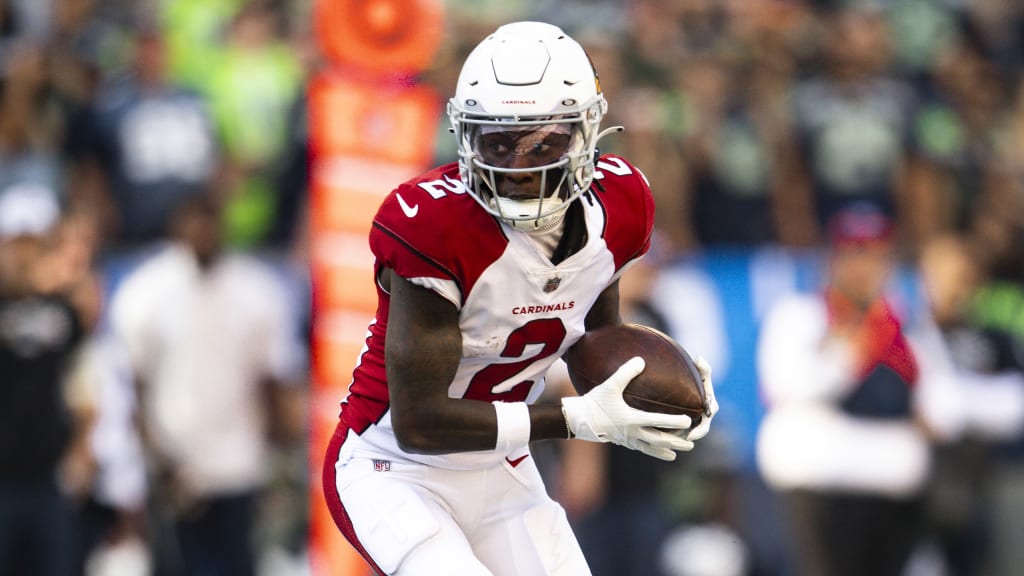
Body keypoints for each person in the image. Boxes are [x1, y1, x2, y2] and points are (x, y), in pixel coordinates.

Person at [322, 21, 718, 576]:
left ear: (586, 133)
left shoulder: (623, 205)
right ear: (466, 136)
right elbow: (420, 422)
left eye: (543, 143)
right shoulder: (432, 225)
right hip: (394, 466)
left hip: (502, 469)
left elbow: (593, 338)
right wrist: (579, 419)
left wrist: (653, 387)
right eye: (499, 142)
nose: (518, 167)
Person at [109, 195, 307, 576]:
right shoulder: (146, 292)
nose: (202, 230)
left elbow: (275, 380)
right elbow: (134, 385)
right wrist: (156, 460)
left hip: (239, 463)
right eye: (192, 219)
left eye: (209, 219)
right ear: (176, 225)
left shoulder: (257, 290)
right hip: (175, 468)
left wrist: (281, 455)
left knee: (238, 564)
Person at [755, 205, 930, 576]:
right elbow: (785, 386)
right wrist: (852, 349)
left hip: (892, 485)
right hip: (822, 484)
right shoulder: (801, 314)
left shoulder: (905, 325)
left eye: (873, 255)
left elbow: (940, 404)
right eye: (852, 253)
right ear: (831, 260)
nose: (862, 267)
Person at [0, 189, 100, 576]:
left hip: (47, 478)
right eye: (16, 246)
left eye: (34, 245)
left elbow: (84, 389)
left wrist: (81, 450)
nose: (24, 257)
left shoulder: (63, 314)